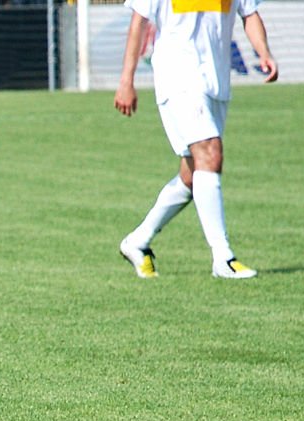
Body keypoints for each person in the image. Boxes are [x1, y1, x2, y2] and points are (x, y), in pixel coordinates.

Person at [114, 0, 277, 279]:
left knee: (192, 174)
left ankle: (137, 242)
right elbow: (138, 22)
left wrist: (264, 53)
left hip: (215, 82)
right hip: (178, 77)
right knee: (210, 154)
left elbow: (249, 13)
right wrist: (126, 80)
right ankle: (223, 257)